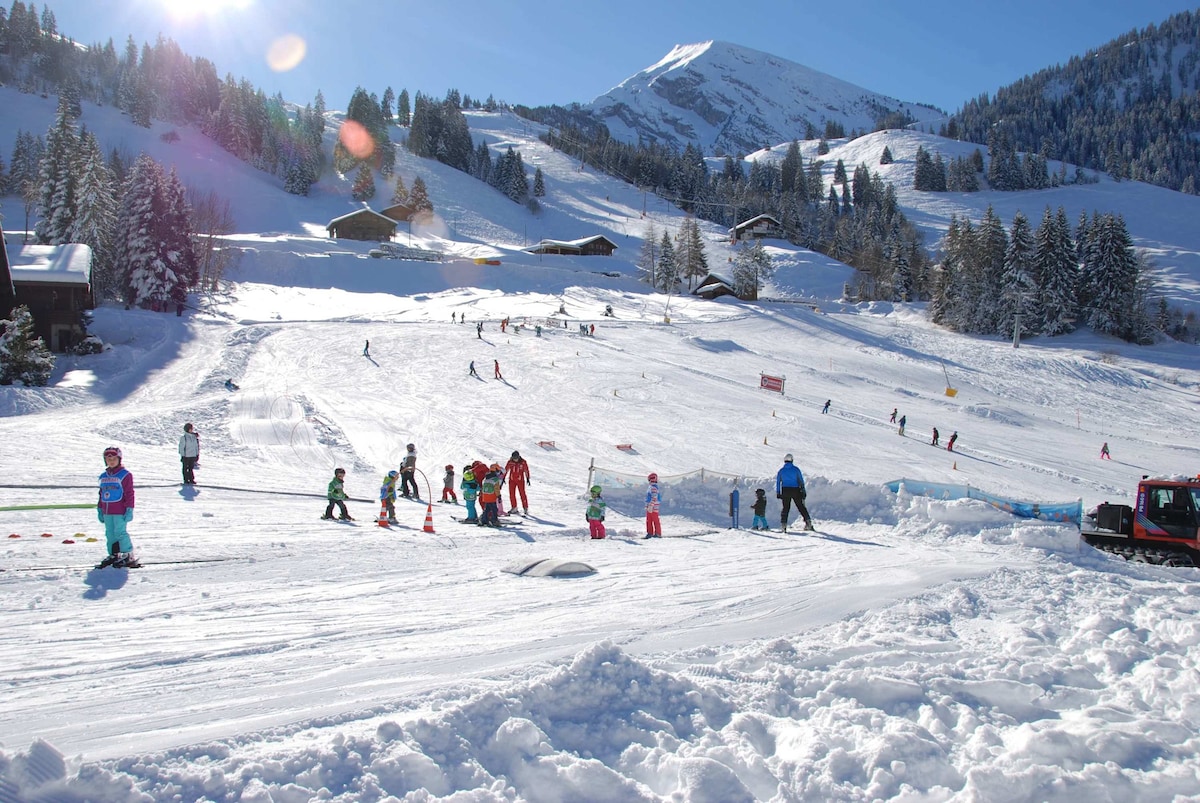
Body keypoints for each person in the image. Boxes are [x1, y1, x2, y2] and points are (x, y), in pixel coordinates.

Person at [97, 446, 138, 568]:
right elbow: (101, 493)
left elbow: (129, 493)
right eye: (108, 459)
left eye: (114, 459)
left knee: (120, 532)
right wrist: (100, 508)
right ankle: (114, 554)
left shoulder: (125, 475)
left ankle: (128, 554)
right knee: (110, 533)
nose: (111, 461)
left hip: (120, 510)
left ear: (119, 459)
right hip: (107, 510)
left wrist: (129, 508)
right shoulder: (103, 476)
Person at [775, 453, 814, 532]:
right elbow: (801, 480)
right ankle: (808, 523)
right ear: (792, 460)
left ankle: (783, 526)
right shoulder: (796, 469)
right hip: (795, 490)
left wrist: (778, 492)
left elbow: (778, 482)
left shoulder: (781, 471)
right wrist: (803, 490)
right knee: (801, 507)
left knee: (785, 508)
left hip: (785, 490)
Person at [644, 472, 662, 538]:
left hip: (653, 507)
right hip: (650, 506)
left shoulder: (653, 487)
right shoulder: (651, 487)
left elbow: (654, 497)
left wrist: (651, 505)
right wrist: (647, 506)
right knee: (649, 520)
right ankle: (650, 532)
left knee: (654, 519)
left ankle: (657, 533)